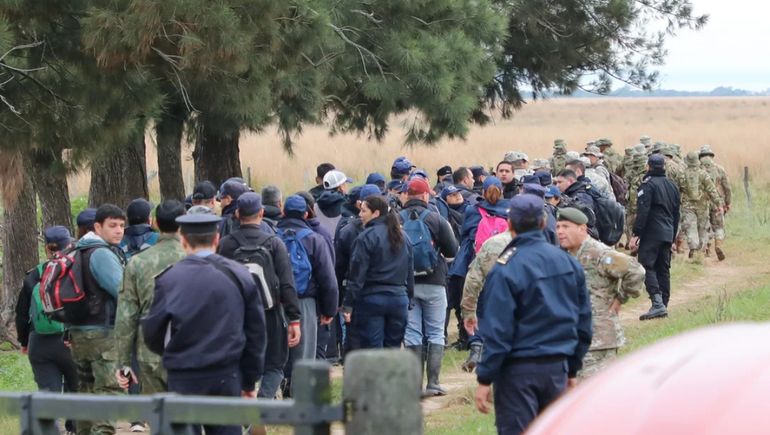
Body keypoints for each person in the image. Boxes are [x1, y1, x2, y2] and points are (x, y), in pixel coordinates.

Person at [474, 194, 592, 435]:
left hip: (518, 372)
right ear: (543, 222)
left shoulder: (506, 268)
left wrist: (485, 377)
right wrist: (571, 368)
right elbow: (583, 322)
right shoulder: (567, 262)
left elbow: (498, 330)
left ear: (509, 224)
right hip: (556, 367)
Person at [142, 212, 266, 435]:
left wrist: (173, 353)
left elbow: (152, 331)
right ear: (217, 239)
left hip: (183, 373)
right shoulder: (239, 275)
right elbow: (256, 333)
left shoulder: (169, 279)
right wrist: (249, 381)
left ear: (183, 240)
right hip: (226, 372)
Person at [217, 192, 302, 399]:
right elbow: (287, 284)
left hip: (236, 316)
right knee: (274, 366)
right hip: (270, 314)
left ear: (237, 213)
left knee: (237, 363)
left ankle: (241, 404)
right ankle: (262, 405)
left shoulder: (226, 244)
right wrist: (294, 319)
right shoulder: (274, 243)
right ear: (261, 213)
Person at [556, 207, 644, 378]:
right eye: (558, 227)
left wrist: (620, 298)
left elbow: (636, 271)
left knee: (594, 389)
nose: (560, 231)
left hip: (599, 340)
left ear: (581, 228)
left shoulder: (599, 253)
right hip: (574, 337)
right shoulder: (566, 255)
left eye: (566, 227)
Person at [114, 201, 187, 402]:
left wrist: (123, 362)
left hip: (150, 351)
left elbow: (126, 315)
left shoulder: (137, 263)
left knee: (157, 411)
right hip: (189, 348)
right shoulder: (194, 259)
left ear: (154, 222)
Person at [70, 204, 128, 435]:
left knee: (86, 391)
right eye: (112, 225)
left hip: (78, 333)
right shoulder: (102, 254)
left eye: (122, 225)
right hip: (102, 334)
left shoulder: (78, 250)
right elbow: (122, 291)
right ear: (97, 226)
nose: (119, 230)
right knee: (108, 391)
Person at [15, 226, 78, 434]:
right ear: (69, 244)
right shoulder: (75, 270)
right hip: (71, 340)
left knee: (48, 392)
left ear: (47, 248)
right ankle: (74, 428)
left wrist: (24, 342)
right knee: (77, 388)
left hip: (39, 342)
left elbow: (21, 313)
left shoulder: (34, 274)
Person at [400, 178, 459, 396]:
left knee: (412, 333)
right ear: (426, 195)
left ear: (406, 195)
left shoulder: (395, 219)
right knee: (435, 332)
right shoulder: (436, 219)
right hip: (435, 282)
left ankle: (414, 386)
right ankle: (433, 383)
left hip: (407, 285)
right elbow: (452, 251)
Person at [277, 195, 339, 397]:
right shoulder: (314, 239)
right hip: (305, 302)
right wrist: (329, 310)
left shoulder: (273, 237)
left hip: (277, 303)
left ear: (283, 212)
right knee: (304, 353)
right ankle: (299, 395)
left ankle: (280, 390)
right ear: (305, 214)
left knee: (280, 351)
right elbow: (328, 279)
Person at [342, 195, 414, 349]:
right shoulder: (403, 237)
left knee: (373, 350)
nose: (360, 214)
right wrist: (409, 297)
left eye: (363, 211)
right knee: (393, 349)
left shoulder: (366, 237)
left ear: (376, 213)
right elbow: (409, 271)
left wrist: (348, 304)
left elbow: (357, 274)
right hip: (398, 298)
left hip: (372, 299)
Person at [448, 177, 510, 351]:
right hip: (505, 262)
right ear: (502, 191)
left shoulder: (473, 210)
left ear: (482, 192)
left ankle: (475, 343)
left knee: (478, 302)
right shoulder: (510, 209)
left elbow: (465, 235)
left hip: (478, 260)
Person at [632, 154, 681, 320]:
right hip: (668, 232)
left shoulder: (648, 185)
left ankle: (657, 304)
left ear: (648, 167)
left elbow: (643, 211)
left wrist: (636, 233)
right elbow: (676, 214)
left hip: (652, 232)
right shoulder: (672, 186)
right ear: (664, 167)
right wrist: (672, 237)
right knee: (663, 269)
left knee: (646, 265)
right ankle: (663, 304)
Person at [459, 229, 513, 373]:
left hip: (493, 295)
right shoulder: (542, 247)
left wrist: (469, 311)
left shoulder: (492, 243)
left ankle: (478, 352)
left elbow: (473, 279)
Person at [679, 151, 722, 260]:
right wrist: (718, 204)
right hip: (702, 206)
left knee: (690, 227)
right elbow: (712, 190)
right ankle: (700, 250)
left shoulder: (682, 174)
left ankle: (693, 248)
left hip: (687, 206)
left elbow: (678, 190)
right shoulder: (703, 174)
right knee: (702, 227)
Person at [699, 144, 732, 261]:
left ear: (700, 156)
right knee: (718, 226)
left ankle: (706, 249)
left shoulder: (697, 169)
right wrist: (727, 203)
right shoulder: (719, 169)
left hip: (701, 202)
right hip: (717, 202)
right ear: (711, 156)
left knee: (704, 225)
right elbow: (727, 188)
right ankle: (718, 245)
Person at [314, 170, 354, 240]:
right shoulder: (348, 205)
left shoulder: (314, 206)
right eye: (345, 184)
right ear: (341, 187)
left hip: (323, 244)